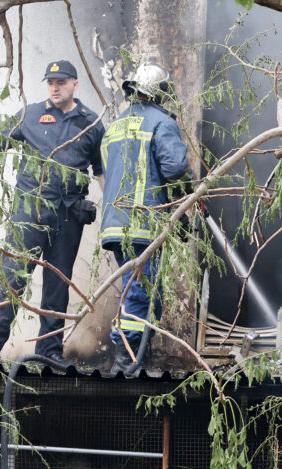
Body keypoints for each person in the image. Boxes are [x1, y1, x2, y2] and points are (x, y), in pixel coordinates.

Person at [0, 60, 105, 365]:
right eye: (50, 82)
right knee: (11, 280)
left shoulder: (91, 123)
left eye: (60, 82)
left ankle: (50, 353)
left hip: (69, 216)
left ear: (74, 84)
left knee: (59, 285)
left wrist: (113, 207)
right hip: (30, 213)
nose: (54, 87)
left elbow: (102, 170)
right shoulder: (31, 115)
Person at [98, 62, 193, 373]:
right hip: (142, 225)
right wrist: (185, 197)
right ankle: (126, 363)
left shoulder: (114, 127)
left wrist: (176, 217)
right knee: (140, 291)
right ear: (161, 93)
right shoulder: (161, 123)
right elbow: (175, 169)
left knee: (143, 289)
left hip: (116, 224)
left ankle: (136, 356)